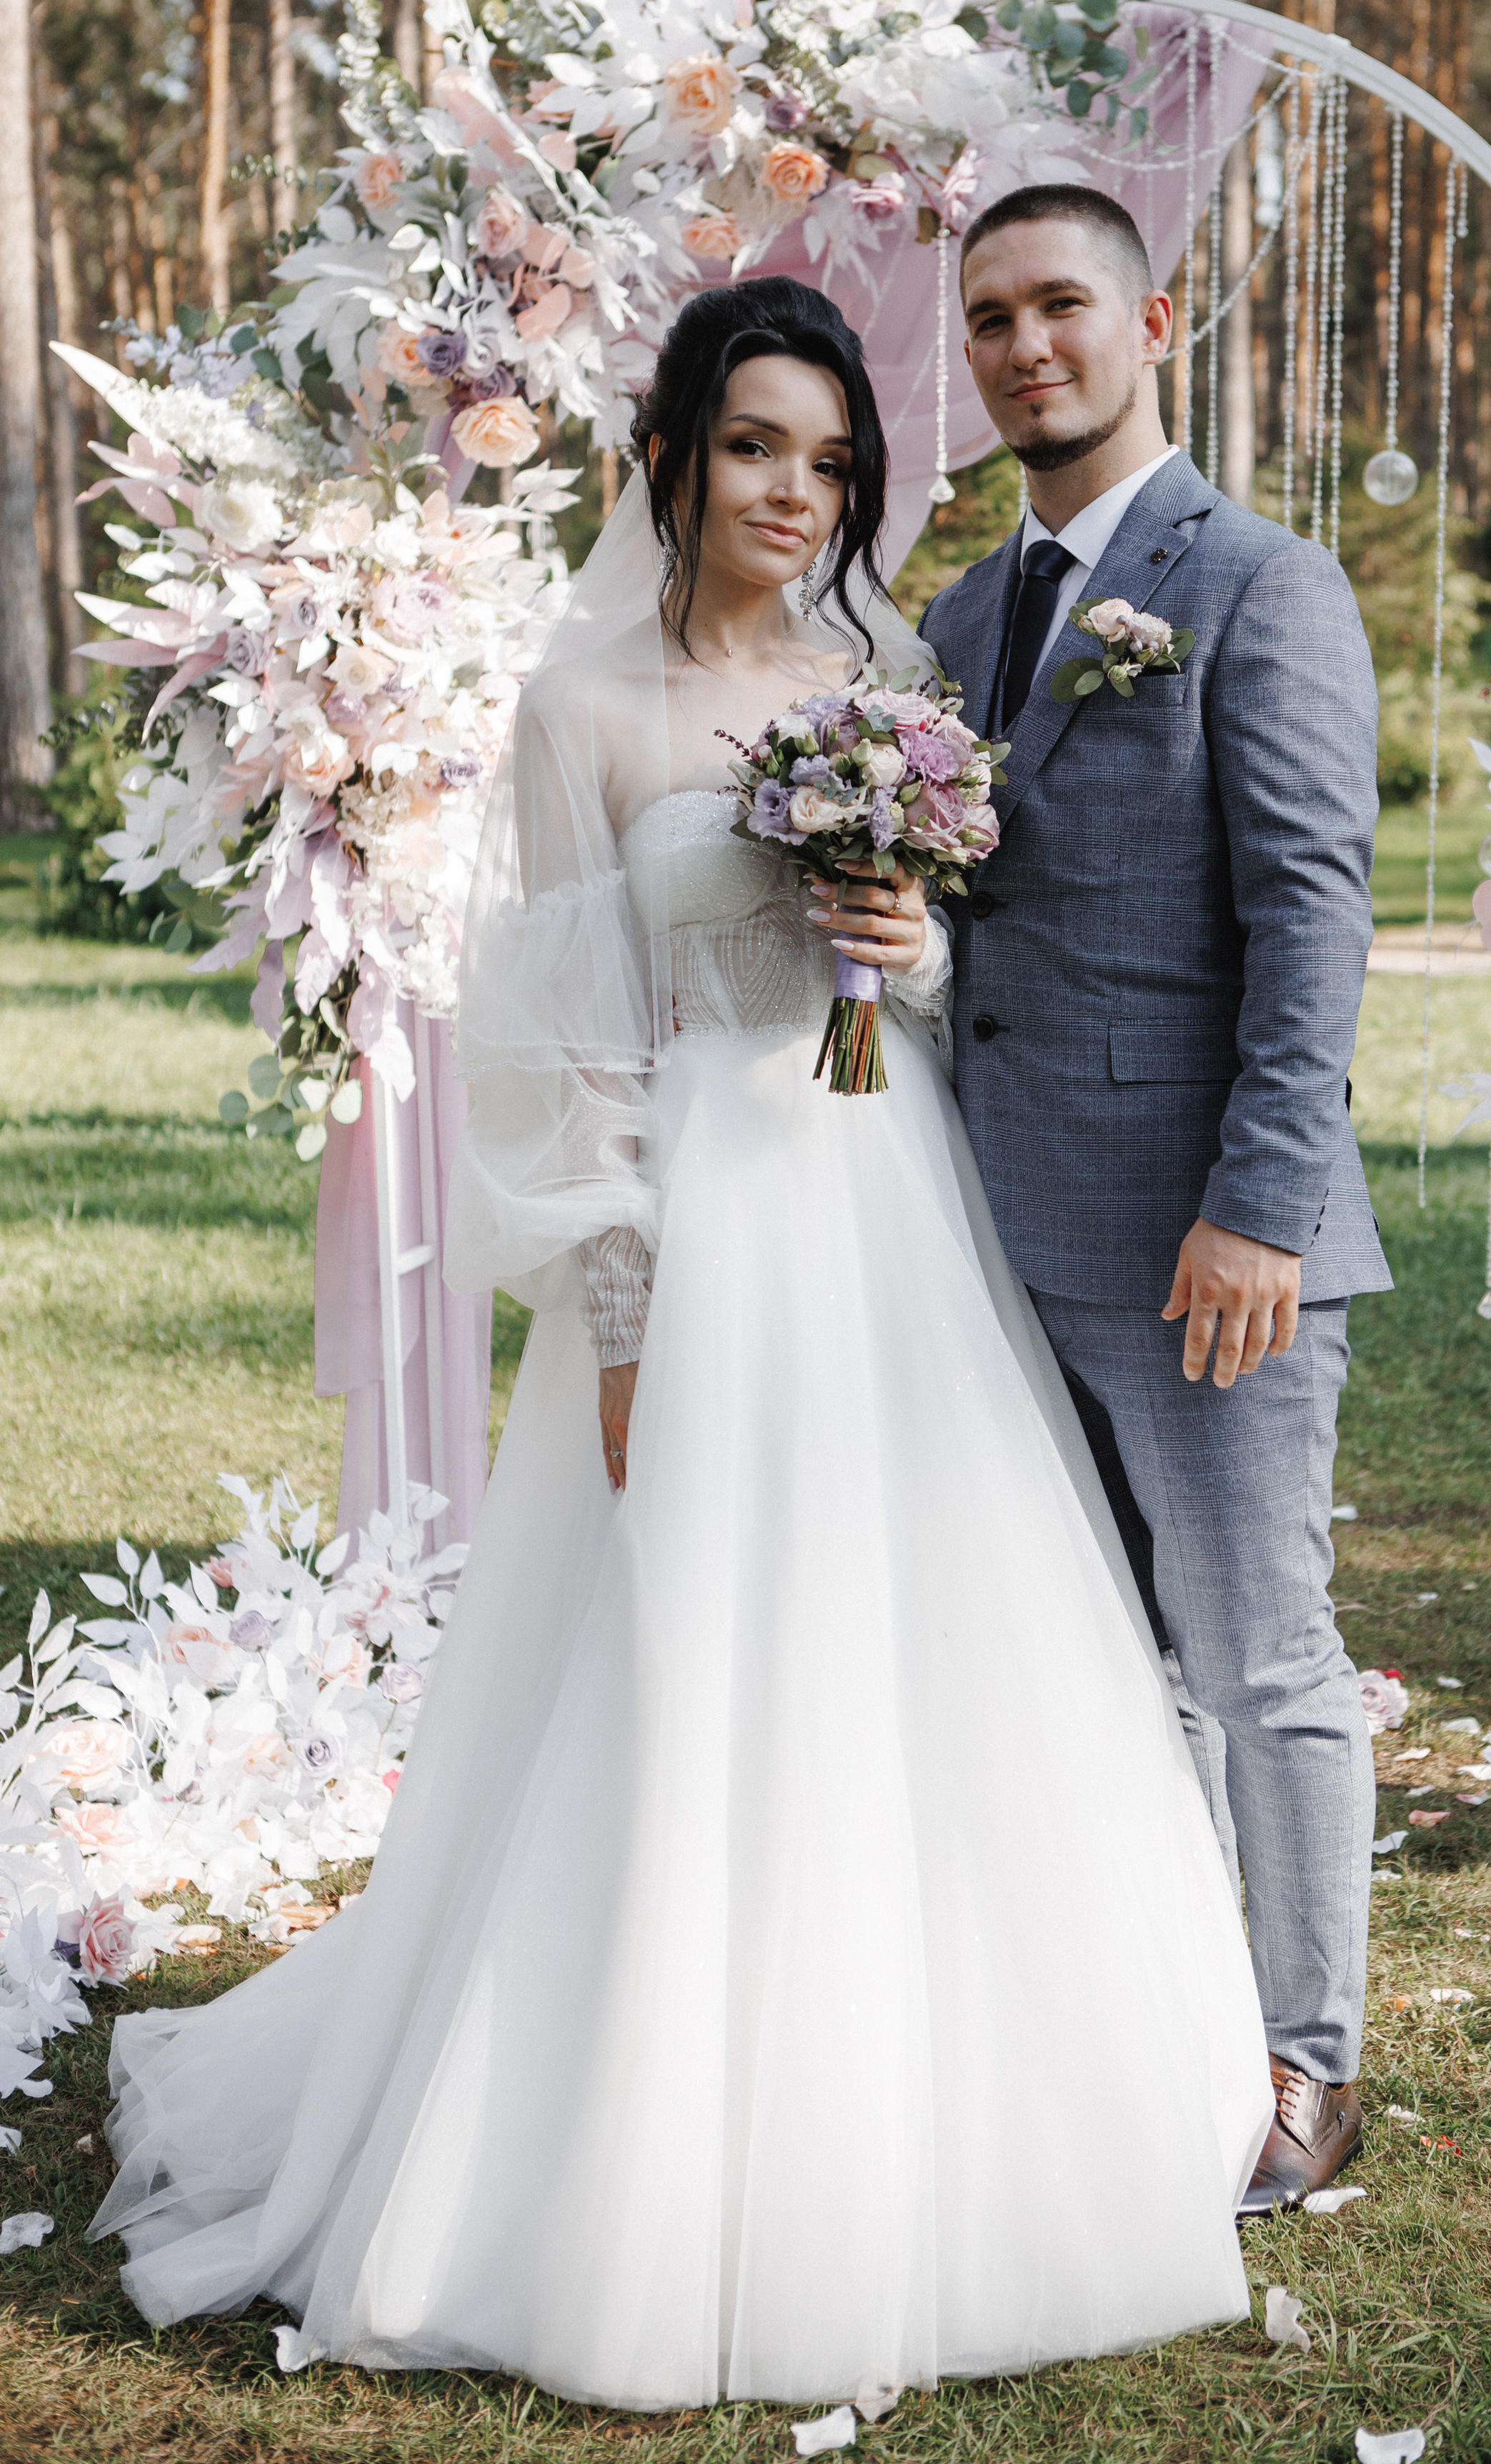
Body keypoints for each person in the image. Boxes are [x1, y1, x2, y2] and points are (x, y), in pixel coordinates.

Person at [89, 277, 1273, 2413]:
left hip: (887, 1204)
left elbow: (928, 994)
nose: (790, 491)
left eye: (826, 460)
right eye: (754, 447)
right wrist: (624, 1318)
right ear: (676, 455)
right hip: (700, 1237)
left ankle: (982, 2105)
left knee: (925, 1631)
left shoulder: (887, 673)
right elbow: (556, 1050)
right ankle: (633, 2141)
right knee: (688, 1650)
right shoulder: (588, 705)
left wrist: (905, 946)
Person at [924, 184, 1391, 2215]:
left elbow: (1311, 913)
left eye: (1062, 309)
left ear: (1154, 320)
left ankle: (1305, 2063)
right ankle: (1154, 2023)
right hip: (991, 1238)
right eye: (992, 321)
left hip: (1207, 1246)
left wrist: (1264, 1209)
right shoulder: (958, 617)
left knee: (1263, 1655)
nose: (1027, 348)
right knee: (1108, 1662)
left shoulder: (1263, 586)